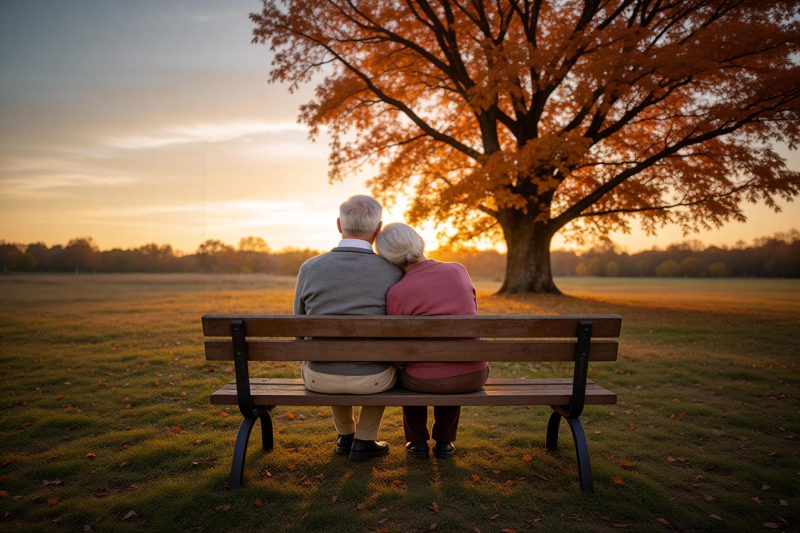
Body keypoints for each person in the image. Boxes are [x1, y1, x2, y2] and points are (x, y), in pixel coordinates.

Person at [294, 195, 404, 461]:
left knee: (328, 351)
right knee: (385, 364)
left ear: (338, 224)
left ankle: (345, 435)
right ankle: (365, 440)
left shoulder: (309, 268)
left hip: (319, 378)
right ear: (378, 229)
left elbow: (299, 330)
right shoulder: (393, 271)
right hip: (373, 379)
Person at [375, 223, 488, 459]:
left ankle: (417, 441)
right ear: (419, 241)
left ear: (388, 259)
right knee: (455, 361)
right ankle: (445, 442)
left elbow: (398, 354)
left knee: (408, 371)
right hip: (474, 375)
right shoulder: (458, 270)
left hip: (424, 380)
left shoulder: (398, 291)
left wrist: (401, 364)